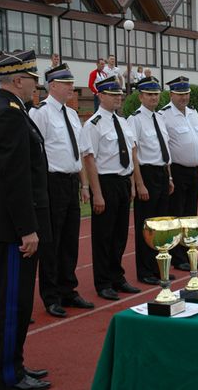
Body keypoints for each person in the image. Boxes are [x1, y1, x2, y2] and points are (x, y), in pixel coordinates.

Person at [0, 50, 52, 390]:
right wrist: (27, 229)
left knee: (20, 303)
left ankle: (17, 367)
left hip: (14, 226)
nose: (35, 86)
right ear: (19, 80)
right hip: (14, 230)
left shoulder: (11, 110)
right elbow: (14, 178)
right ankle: (9, 377)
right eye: (33, 80)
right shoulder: (8, 114)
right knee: (12, 305)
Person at [29, 64, 94, 318]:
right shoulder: (41, 113)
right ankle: (51, 295)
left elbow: (77, 152)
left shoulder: (71, 114)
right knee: (51, 242)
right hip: (51, 182)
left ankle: (68, 289)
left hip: (71, 182)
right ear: (52, 85)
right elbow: (37, 154)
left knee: (69, 241)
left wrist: (85, 184)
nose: (71, 87)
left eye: (71, 83)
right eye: (66, 83)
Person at [83, 76, 141, 301]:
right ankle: (103, 282)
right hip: (106, 183)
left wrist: (134, 183)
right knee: (103, 236)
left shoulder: (124, 122)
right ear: (100, 96)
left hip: (123, 182)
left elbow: (132, 154)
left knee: (119, 235)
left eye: (119, 94)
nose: (118, 98)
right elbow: (90, 160)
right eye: (112, 94)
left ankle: (117, 276)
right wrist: (96, 192)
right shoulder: (94, 125)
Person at [129, 77, 173, 285]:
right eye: (149, 94)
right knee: (146, 226)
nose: (154, 97)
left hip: (162, 174)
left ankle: (158, 267)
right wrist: (139, 183)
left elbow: (165, 150)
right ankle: (145, 270)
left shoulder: (161, 117)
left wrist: (170, 176)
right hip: (146, 174)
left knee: (162, 226)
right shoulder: (135, 119)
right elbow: (134, 153)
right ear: (141, 96)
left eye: (156, 94)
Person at [161, 77, 198, 271]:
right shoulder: (164, 115)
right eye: (180, 94)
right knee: (177, 214)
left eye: (186, 94)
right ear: (171, 95)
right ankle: (178, 257)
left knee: (190, 216)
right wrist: (169, 176)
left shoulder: (193, 113)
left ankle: (189, 253)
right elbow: (165, 148)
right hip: (177, 171)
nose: (184, 98)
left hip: (193, 171)